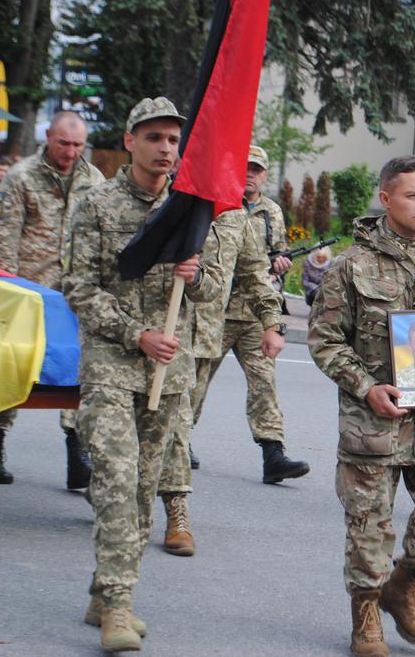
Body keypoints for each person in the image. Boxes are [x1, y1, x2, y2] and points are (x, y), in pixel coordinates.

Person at [62, 96, 224, 652]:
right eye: (154, 137)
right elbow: (79, 287)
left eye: (173, 139)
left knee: (141, 490)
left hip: (167, 373)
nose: (165, 148)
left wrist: (195, 275)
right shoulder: (97, 205)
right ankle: (118, 603)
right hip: (112, 364)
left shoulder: (191, 210)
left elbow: (213, 290)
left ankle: (103, 592)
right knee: (114, 480)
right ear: (130, 141)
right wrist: (136, 334)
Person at [308, 155, 415, 657]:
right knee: (369, 523)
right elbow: (324, 340)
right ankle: (366, 614)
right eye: (413, 195)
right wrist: (366, 387)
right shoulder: (352, 265)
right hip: (374, 420)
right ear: (386, 199)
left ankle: (403, 585)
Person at [155, 161, 286, 556]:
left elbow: (255, 273)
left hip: (203, 339)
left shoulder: (234, 216)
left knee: (179, 425)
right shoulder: (164, 201)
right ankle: (114, 487)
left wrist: (272, 322)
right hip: (155, 335)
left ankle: (176, 511)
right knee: (149, 426)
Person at [0, 111, 105, 488]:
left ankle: (77, 454)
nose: (70, 152)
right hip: (29, 292)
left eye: (78, 145)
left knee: (79, 370)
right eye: (63, 143)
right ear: (48, 136)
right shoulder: (21, 177)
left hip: (76, 293)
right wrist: (9, 291)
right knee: (12, 364)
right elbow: (4, 239)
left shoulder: (94, 180)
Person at [185, 145, 308, 485]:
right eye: (246, 167)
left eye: (257, 169)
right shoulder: (219, 206)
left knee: (264, 382)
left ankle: (273, 453)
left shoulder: (271, 211)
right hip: (214, 312)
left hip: (252, 312)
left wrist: (280, 268)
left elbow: (266, 260)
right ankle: (180, 439)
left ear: (265, 175)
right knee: (195, 382)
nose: (250, 174)